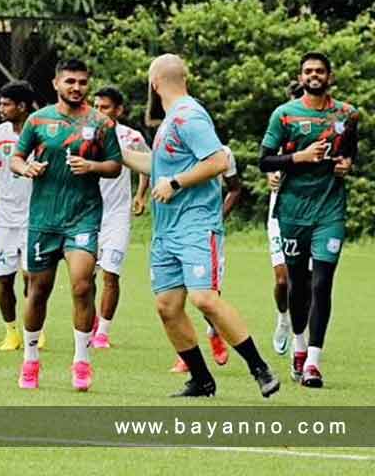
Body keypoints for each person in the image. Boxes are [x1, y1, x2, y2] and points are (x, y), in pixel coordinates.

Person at [122, 53, 279, 398]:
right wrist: (119, 153)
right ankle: (201, 380)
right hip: (167, 231)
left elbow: (218, 160)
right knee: (167, 306)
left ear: (154, 83)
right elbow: (157, 165)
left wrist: (176, 183)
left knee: (204, 298)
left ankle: (260, 368)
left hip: (195, 225)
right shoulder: (170, 121)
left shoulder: (189, 116)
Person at [10, 59, 122, 391]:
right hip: (44, 220)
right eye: (70, 81)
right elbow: (16, 157)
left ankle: (81, 360)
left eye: (82, 82)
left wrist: (92, 166)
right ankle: (31, 359)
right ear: (56, 83)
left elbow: (115, 165)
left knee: (82, 284)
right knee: (38, 290)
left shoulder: (101, 123)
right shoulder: (38, 120)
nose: (76, 87)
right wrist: (24, 169)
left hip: (83, 216)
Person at [259, 51, 357, 388]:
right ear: (301, 77)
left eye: (319, 71)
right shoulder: (284, 115)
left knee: (322, 282)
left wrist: (347, 165)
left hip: (329, 210)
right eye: (307, 71)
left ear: (329, 76)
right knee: (297, 285)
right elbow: (264, 160)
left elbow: (350, 152)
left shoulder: (347, 113)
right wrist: (297, 157)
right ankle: (298, 346)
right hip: (292, 211)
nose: (313, 75)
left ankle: (314, 362)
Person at [169, 144, 242, 373]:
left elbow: (235, 189)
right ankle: (187, 356)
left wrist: (217, 218)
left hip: (206, 232)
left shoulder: (222, 153)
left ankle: (213, 330)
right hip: (175, 230)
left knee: (206, 295)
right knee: (173, 297)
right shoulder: (171, 150)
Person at [0, 81, 38, 351]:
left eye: (6, 104)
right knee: (3, 278)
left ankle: (34, 327)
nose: (0, 109)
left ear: (22, 107)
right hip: (5, 220)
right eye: (0, 104)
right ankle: (11, 331)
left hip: (35, 217)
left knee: (31, 277)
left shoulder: (41, 133)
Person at [88, 86, 149, 349]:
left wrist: (140, 194)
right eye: (97, 107)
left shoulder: (130, 137)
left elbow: (148, 163)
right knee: (84, 276)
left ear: (118, 110)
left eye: (105, 107)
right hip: (88, 214)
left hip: (116, 216)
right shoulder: (85, 133)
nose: (99, 112)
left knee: (111, 274)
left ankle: (103, 331)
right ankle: (88, 321)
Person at [268, 81, 306, 355]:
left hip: (313, 214)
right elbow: (266, 160)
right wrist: (271, 172)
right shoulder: (278, 128)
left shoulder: (325, 132)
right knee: (283, 280)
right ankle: (283, 318)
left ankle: (300, 340)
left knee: (306, 281)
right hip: (280, 214)